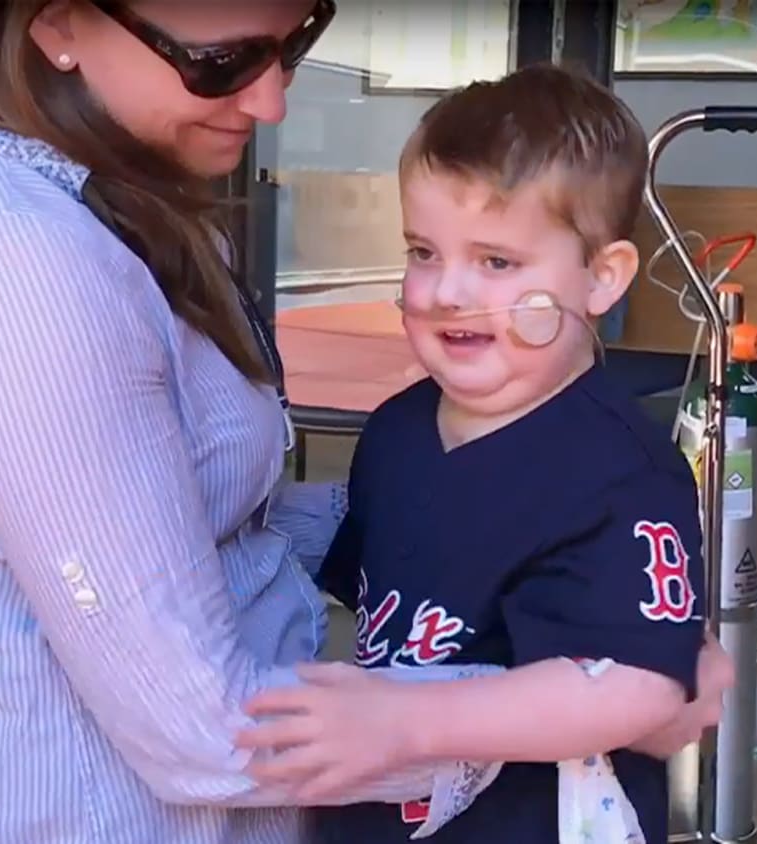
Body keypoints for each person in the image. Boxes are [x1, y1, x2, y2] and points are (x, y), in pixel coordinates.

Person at [0, 2, 727, 842]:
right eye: (222, 59)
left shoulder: (611, 467)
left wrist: (633, 674)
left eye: (291, 45)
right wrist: (516, 714)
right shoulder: (14, 261)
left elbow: (256, 534)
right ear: (59, 22)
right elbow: (198, 721)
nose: (271, 101)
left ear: (604, 279)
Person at [234, 65, 717, 844]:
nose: (447, 291)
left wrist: (408, 722)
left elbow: (637, 688)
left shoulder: (619, 472)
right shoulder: (396, 430)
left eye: (496, 262)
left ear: (602, 277)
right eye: (424, 251)